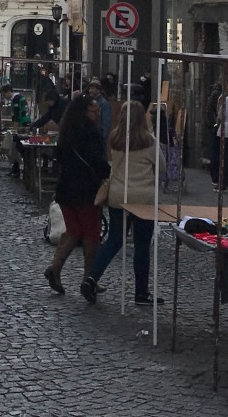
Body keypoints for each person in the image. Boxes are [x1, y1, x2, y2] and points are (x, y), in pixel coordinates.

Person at [80, 100, 165, 306]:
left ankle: (91, 278)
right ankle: (141, 292)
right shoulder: (149, 141)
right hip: (143, 197)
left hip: (119, 195)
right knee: (142, 245)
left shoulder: (115, 138)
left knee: (114, 241)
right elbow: (162, 168)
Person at [43, 95, 109, 294]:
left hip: (66, 189)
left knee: (74, 231)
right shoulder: (91, 133)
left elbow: (60, 157)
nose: (98, 114)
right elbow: (96, 160)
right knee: (91, 234)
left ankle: (55, 267)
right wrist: (108, 172)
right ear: (84, 112)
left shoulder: (67, 130)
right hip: (85, 190)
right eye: (94, 111)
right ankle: (89, 278)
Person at [87, 79, 112, 144]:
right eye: (89, 88)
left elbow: (106, 123)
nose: (90, 90)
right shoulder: (90, 102)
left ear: (98, 90)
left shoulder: (104, 104)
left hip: (99, 137)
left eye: (92, 88)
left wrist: (102, 137)